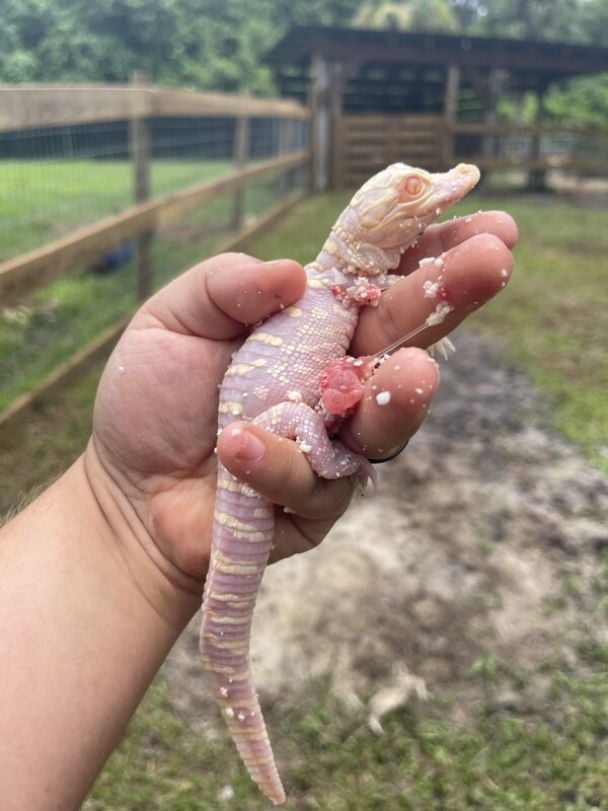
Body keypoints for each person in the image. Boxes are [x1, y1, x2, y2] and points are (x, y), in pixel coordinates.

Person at [0, 211, 517, 809]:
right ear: (361, 224)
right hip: (269, 425)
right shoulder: (320, 283)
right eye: (411, 193)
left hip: (261, 429)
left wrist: (122, 523)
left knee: (229, 631)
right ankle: (331, 456)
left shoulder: (342, 286)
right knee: (317, 447)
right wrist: (333, 456)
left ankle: (330, 456)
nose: (433, 197)